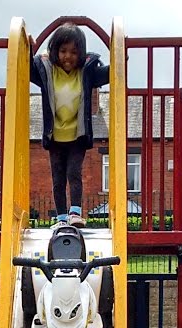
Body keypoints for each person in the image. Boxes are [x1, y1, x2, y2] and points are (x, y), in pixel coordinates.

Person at [30, 23, 110, 227]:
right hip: (55, 136)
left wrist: (121, 58)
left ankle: (75, 213)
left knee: (73, 173)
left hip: (77, 136)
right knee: (57, 178)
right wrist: (28, 50)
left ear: (81, 53)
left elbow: (107, 74)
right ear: (55, 51)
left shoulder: (86, 72)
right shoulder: (48, 71)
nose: (68, 56)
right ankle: (61, 218)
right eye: (63, 51)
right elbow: (27, 70)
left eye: (74, 52)